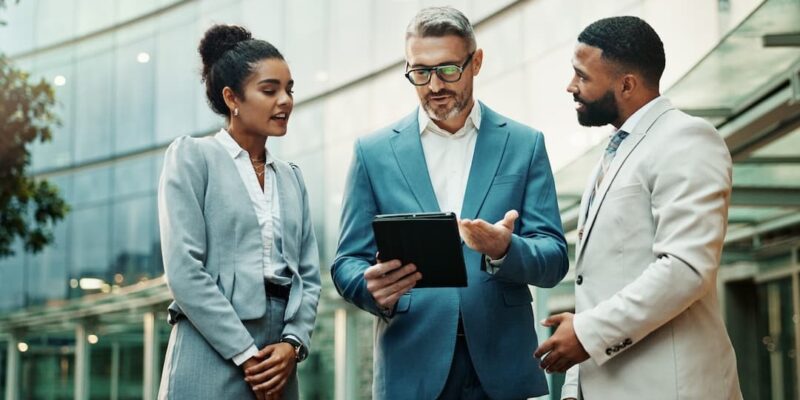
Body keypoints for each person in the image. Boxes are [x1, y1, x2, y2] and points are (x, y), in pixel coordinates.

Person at [331, 6, 568, 399]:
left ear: (476, 62)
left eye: (447, 70)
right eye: (420, 72)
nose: (434, 85)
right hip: (411, 365)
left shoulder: (525, 144)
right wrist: (369, 287)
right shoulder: (372, 153)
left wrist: (505, 249)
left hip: (504, 366)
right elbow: (346, 262)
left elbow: (555, 257)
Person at [533, 16, 743, 400]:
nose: (571, 87)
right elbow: (596, 286)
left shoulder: (686, 138)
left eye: (582, 76)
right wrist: (575, 390)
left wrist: (586, 333)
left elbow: (685, 268)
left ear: (626, 84)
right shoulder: (616, 150)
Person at [157, 24, 320, 400]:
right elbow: (184, 271)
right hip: (210, 348)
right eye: (270, 90)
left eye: (289, 89)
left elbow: (309, 276)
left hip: (278, 359)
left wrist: (292, 345)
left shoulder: (292, 179)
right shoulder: (192, 158)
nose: (285, 101)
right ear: (232, 97)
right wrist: (246, 356)